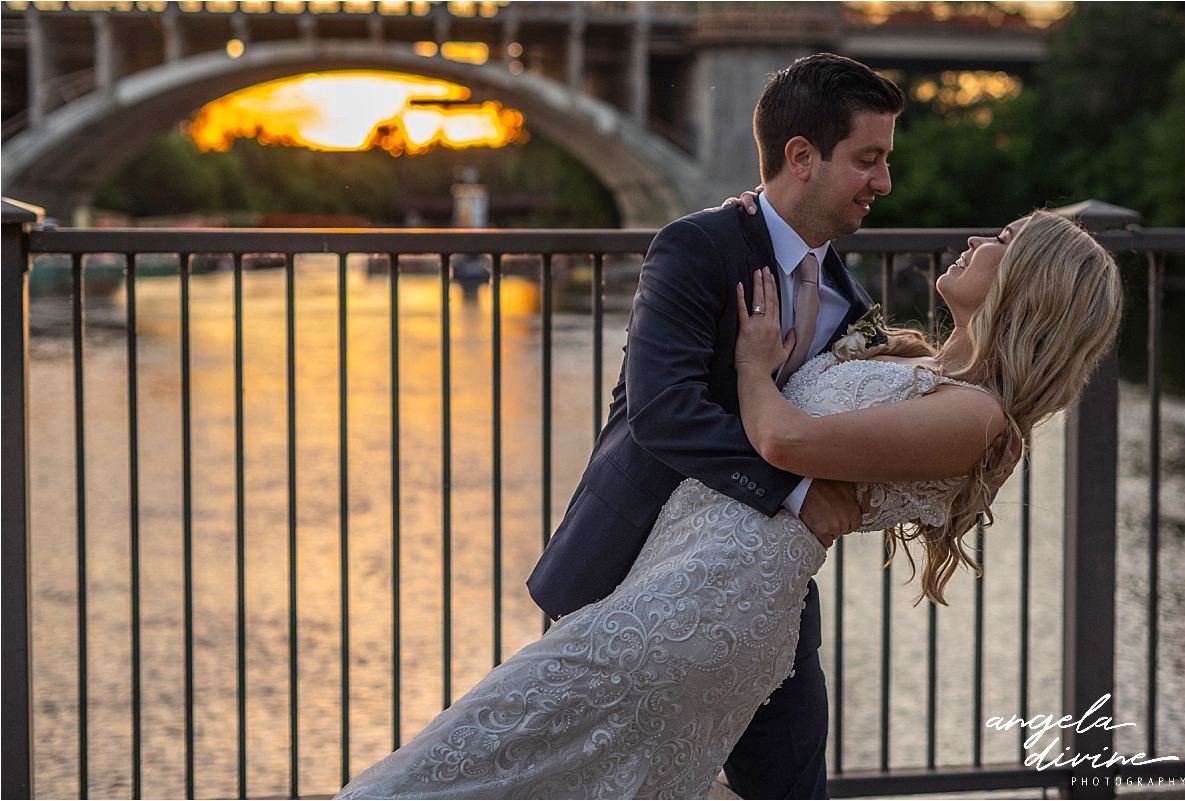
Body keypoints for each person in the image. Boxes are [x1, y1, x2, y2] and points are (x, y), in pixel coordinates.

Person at [335, 210, 1122, 800]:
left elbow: (785, 441)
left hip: (706, 605)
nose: (978, 241)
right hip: (679, 583)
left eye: (1004, 241)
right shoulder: (922, 366)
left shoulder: (977, 417)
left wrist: (754, 366)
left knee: (445, 768)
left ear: (1031, 284)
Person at [526, 53, 903, 799]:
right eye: (869, 158)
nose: (884, 182)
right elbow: (663, 409)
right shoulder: (695, 246)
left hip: (764, 596)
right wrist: (796, 492)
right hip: (628, 576)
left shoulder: (846, 298)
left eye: (885, 160)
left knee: (792, 790)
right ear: (801, 157)